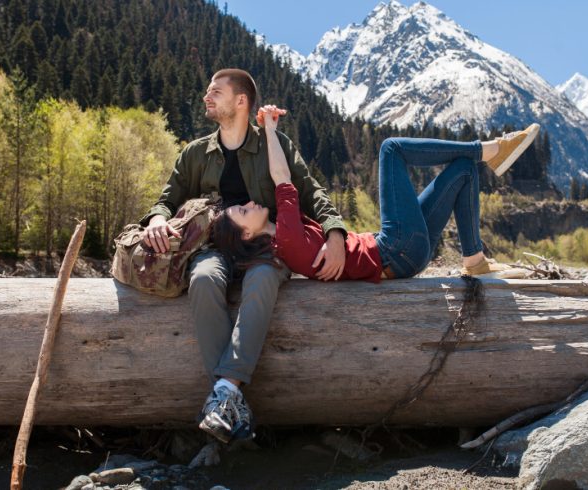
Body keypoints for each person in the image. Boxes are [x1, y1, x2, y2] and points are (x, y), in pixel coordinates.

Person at [139, 70, 348, 443]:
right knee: (203, 279)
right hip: (212, 248)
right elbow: (167, 199)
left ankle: (223, 395)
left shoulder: (274, 143)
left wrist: (335, 233)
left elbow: (310, 190)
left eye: (215, 92)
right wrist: (156, 219)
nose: (207, 97)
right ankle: (229, 399)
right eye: (208, 91)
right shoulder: (195, 153)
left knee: (263, 279)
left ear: (241, 101)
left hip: (267, 247)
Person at [213, 104, 540, 282]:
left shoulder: (286, 236)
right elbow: (281, 175)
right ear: (246, 235)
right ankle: (490, 149)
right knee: (391, 148)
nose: (249, 203)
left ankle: (475, 261)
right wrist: (270, 130)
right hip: (394, 251)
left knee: (464, 171)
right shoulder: (285, 239)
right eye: (242, 211)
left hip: (402, 254)